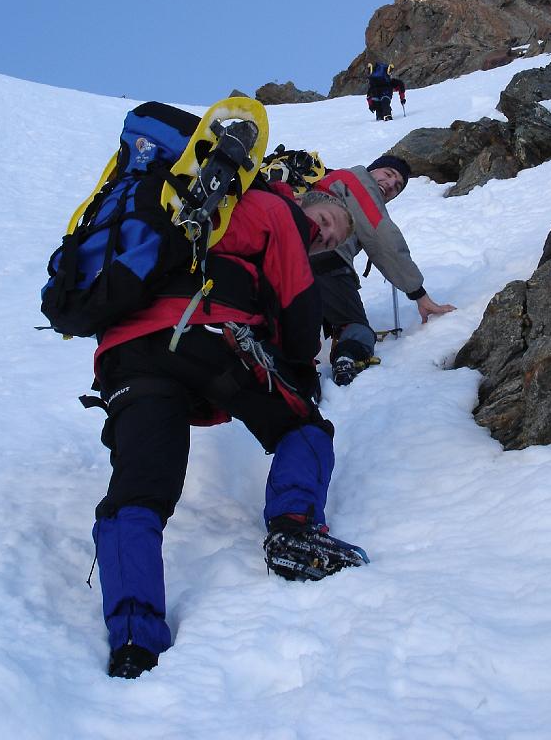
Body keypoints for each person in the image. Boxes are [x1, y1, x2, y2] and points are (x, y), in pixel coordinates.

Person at [88, 183, 360, 679]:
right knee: (306, 427)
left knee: (139, 488)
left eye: (333, 239)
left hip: (126, 353)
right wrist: (298, 370)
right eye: (325, 221)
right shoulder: (278, 210)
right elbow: (300, 309)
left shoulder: (192, 206)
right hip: (206, 336)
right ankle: (294, 528)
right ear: (305, 201)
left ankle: (133, 640)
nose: (323, 235)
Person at [311, 155, 456, 385]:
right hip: (326, 261)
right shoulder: (356, 180)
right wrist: (419, 294)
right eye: (388, 174)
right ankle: (347, 360)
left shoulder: (333, 183)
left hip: (286, 256)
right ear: (372, 170)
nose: (390, 184)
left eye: (397, 186)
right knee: (357, 329)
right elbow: (383, 239)